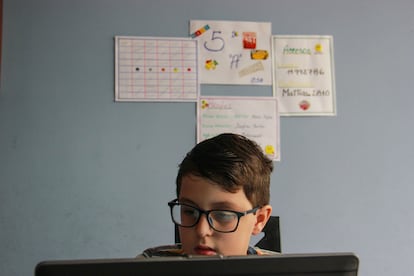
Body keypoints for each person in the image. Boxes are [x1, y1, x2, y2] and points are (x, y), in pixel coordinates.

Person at [140, 133, 276, 257]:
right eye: (189, 211)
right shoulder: (147, 266)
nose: (201, 230)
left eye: (223, 215)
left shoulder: (280, 270)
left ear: (259, 220)